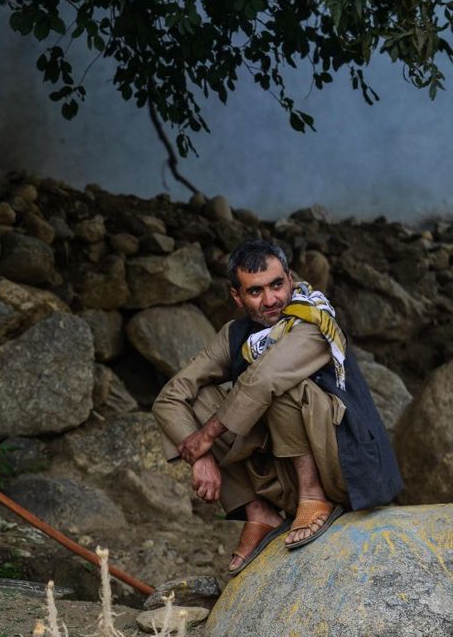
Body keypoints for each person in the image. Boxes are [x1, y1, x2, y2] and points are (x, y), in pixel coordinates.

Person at [152, 239, 402, 574]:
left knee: (281, 383)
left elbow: (266, 377)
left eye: (277, 285)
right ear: (237, 296)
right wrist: (200, 456)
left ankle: (314, 498)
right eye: (255, 292)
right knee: (196, 399)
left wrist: (207, 436)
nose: (271, 300)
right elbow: (171, 395)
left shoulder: (312, 320)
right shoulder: (236, 335)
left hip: (344, 464)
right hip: (283, 473)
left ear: (290, 279)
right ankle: (259, 514)